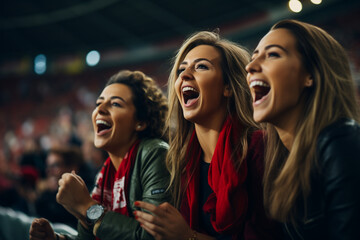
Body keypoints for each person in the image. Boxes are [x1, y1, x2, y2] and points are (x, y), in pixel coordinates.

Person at [134, 31, 281, 239]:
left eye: (201, 66)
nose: (184, 75)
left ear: (228, 87)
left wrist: (188, 237)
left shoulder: (258, 147)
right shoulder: (180, 160)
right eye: (182, 69)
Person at [245, 19, 360, 239]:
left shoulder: (340, 141)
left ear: (311, 74)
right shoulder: (278, 159)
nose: (250, 67)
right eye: (253, 57)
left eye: (272, 54)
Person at [29, 70, 170, 240]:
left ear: (141, 121)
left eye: (115, 104)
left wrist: (87, 207)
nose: (100, 110)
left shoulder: (155, 153)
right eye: (98, 103)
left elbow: (151, 237)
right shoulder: (104, 174)